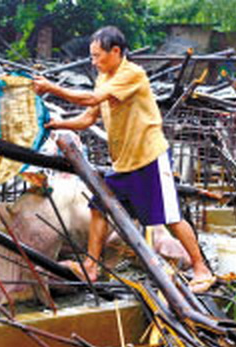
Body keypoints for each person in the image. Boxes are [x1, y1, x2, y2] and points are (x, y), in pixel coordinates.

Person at [33, 26, 215, 293]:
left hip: (150, 158)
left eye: (97, 56)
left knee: (171, 217)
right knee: (99, 207)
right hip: (125, 164)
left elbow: (92, 99)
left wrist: (51, 88)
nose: (94, 62)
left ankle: (201, 268)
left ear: (116, 51)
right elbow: (88, 118)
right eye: (92, 57)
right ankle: (92, 266)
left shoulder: (131, 74)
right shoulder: (103, 77)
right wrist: (59, 124)